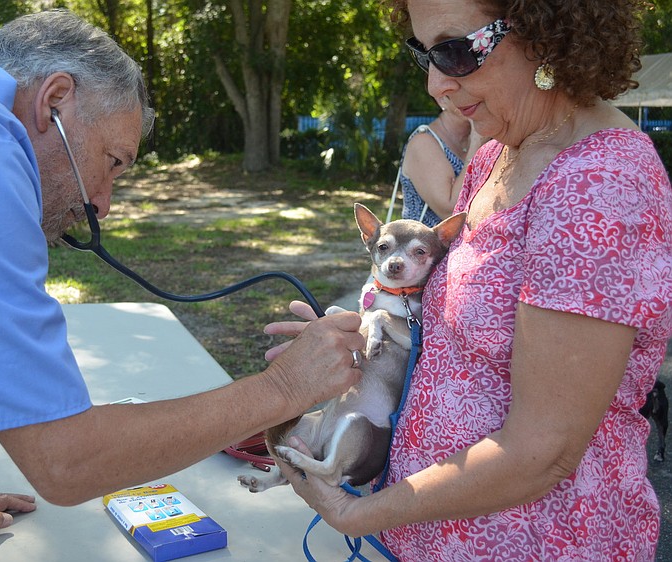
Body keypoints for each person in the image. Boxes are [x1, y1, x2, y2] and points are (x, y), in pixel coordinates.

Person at [0, 10, 366, 546]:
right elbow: (65, 461)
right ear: (55, 100)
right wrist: (285, 387)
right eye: (112, 163)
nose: (101, 205)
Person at [266, 0, 672, 559]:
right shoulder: (496, 156)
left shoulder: (598, 185)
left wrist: (357, 513)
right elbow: (458, 331)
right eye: (424, 53)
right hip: (429, 529)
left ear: (546, 31)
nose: (435, 83)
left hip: (531, 542)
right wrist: (364, 334)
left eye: (455, 51)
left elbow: (544, 451)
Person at [394, 95, 487, 226]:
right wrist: (477, 143)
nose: (473, 95)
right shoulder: (423, 142)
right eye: (462, 89)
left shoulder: (478, 138)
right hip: (424, 245)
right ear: (441, 99)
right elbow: (450, 211)